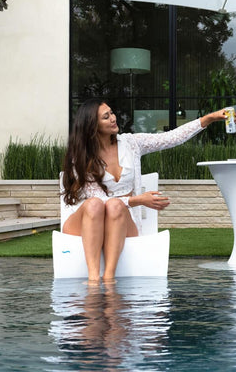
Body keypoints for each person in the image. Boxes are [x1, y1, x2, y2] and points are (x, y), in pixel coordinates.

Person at [62, 98, 226, 284]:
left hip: (121, 221)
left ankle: (108, 278)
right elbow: (96, 198)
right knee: (94, 205)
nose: (113, 118)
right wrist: (136, 200)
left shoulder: (131, 143)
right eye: (106, 117)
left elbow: (171, 137)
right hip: (86, 223)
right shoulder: (81, 155)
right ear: (92, 125)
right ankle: (93, 279)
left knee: (115, 206)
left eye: (112, 113)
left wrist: (208, 119)